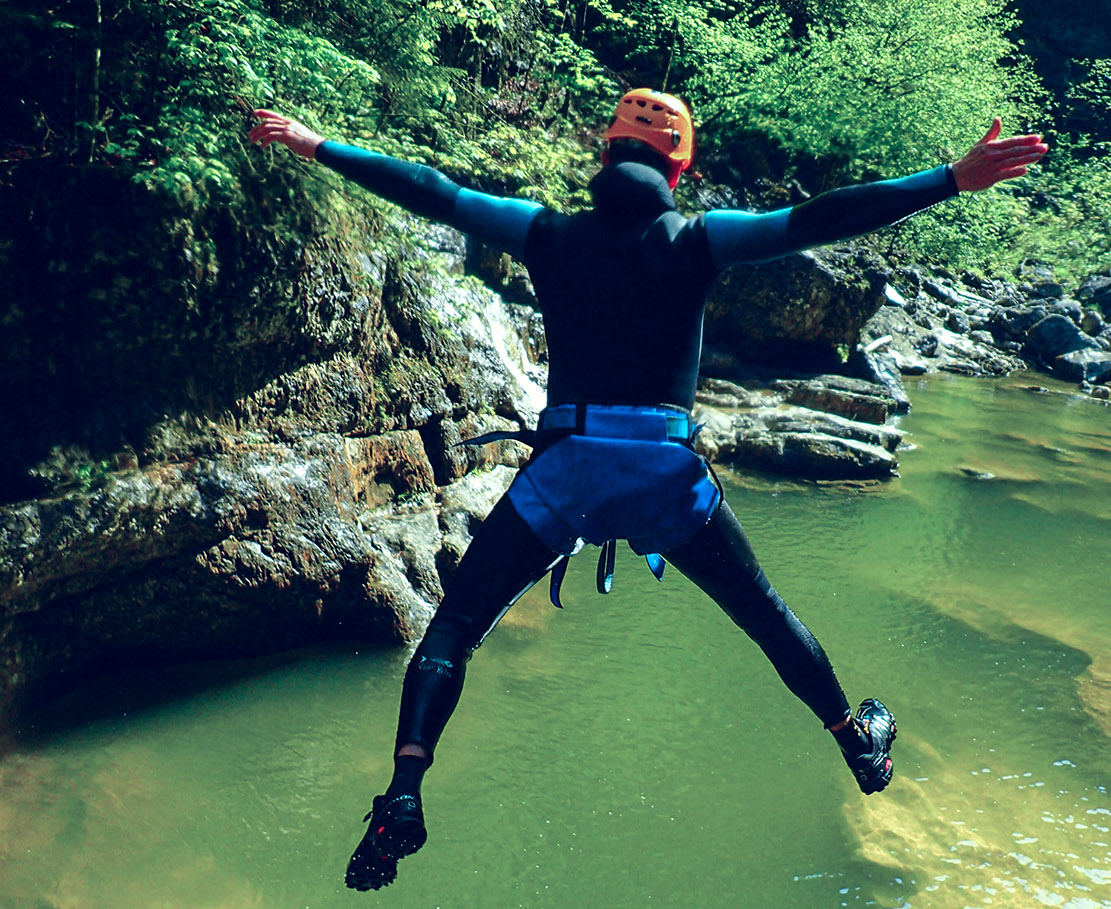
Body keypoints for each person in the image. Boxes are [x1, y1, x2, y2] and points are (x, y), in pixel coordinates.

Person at [249, 89, 1046, 891]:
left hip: (567, 470)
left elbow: (432, 189)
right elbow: (819, 219)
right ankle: (857, 741)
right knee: (766, 615)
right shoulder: (701, 239)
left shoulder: (546, 233)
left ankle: (405, 793)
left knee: (455, 626)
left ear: (604, 154)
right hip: (665, 473)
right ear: (682, 167)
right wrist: (951, 178)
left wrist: (316, 144)